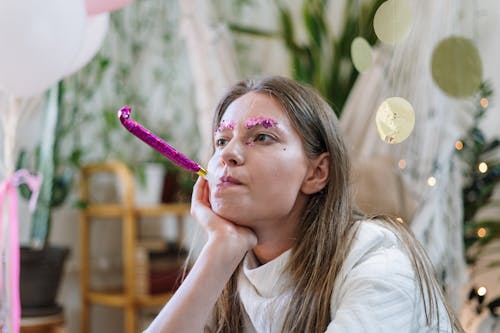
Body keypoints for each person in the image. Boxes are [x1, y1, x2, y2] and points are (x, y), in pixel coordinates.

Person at [144, 76, 464, 332]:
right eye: (221, 141)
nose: (227, 154)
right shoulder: (233, 267)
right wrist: (219, 251)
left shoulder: (377, 260)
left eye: (262, 137)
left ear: (317, 172)